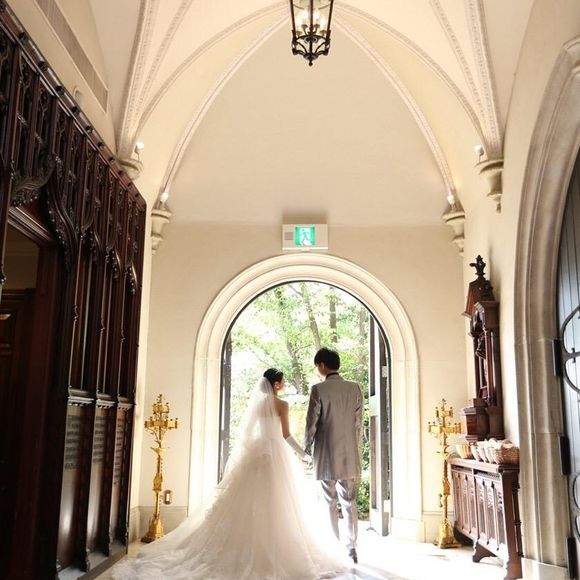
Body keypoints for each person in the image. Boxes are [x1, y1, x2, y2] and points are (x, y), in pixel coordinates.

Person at [112, 368, 347, 580]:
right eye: (283, 381)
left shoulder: (257, 406)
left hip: (258, 453)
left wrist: (252, 451)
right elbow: (286, 435)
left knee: (249, 502)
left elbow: (247, 433)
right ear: (276, 384)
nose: (284, 384)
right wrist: (304, 454)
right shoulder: (282, 405)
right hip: (276, 454)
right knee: (281, 502)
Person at [304, 348, 363, 564]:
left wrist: (305, 448)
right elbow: (358, 423)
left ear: (321, 365)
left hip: (326, 453)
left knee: (329, 501)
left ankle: (334, 547)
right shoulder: (354, 388)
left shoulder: (318, 389)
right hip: (349, 453)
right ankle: (352, 548)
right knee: (349, 501)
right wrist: (355, 447)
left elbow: (311, 424)